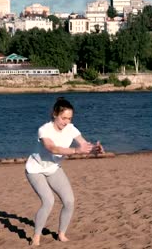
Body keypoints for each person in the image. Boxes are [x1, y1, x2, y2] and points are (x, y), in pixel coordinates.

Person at [25, 97, 104, 246]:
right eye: (63, 118)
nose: (66, 121)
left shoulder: (71, 128)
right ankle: (36, 236)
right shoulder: (44, 130)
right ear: (55, 114)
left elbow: (84, 145)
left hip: (53, 168)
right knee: (48, 201)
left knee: (69, 201)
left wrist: (95, 149)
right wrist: (75, 150)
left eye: (69, 118)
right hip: (35, 169)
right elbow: (52, 148)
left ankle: (61, 234)